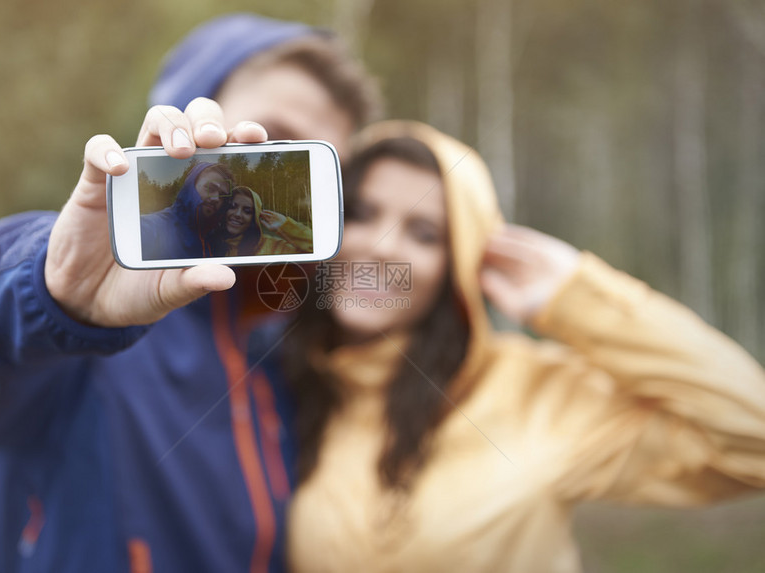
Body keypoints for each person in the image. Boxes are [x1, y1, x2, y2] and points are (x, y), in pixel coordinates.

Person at [0, 13, 379, 573]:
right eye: (275, 139)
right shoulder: (88, 322)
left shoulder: (283, 344)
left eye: (314, 160)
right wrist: (54, 294)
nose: (284, 173)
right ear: (193, 121)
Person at [275, 121, 765, 572]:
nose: (381, 246)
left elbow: (755, 439)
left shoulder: (536, 391)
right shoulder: (280, 386)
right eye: (360, 213)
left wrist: (581, 299)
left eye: (424, 234)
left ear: (458, 266)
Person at [141, 162, 235, 260]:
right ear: (190, 186)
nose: (216, 198)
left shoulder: (213, 241)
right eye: (210, 188)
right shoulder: (150, 227)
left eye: (222, 196)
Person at [208, 186, 312, 257]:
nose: (238, 214)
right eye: (232, 207)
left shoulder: (274, 247)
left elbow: (316, 248)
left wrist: (286, 226)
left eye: (247, 211)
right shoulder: (205, 243)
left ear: (254, 218)